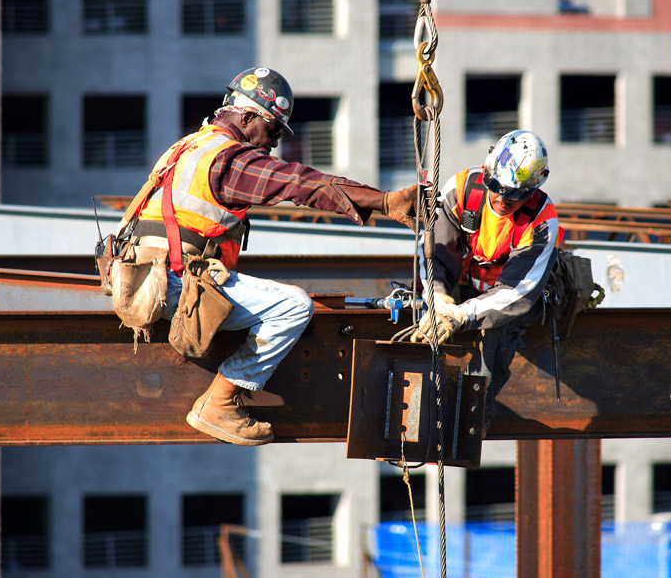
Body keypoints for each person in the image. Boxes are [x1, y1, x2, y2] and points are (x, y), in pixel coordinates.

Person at [123, 67, 418, 446]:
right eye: (274, 130)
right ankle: (220, 401)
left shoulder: (191, 145)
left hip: (143, 276)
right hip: (174, 284)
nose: (274, 143)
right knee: (293, 306)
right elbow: (299, 183)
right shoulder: (228, 160)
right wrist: (385, 202)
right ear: (248, 117)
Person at [410, 129, 563, 427]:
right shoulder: (461, 190)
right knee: (419, 312)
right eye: (498, 187)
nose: (503, 200)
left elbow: (516, 293)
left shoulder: (542, 223)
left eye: (515, 195)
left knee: (493, 337)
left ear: (532, 190)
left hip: (508, 298)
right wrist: (437, 296)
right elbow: (432, 250)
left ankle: (471, 420)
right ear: (488, 173)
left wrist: (460, 315)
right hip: (466, 284)